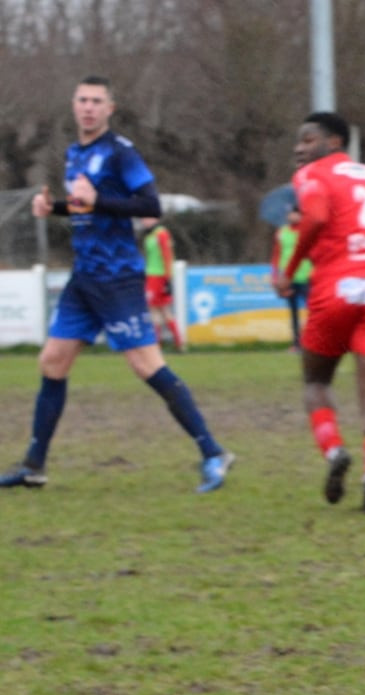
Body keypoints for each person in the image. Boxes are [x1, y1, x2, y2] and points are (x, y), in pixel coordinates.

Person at [0, 75, 233, 493]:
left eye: (96, 101)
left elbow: (149, 205)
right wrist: (52, 207)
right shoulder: (75, 153)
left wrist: (97, 201)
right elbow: (84, 208)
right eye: (82, 99)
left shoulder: (121, 153)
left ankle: (213, 452)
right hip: (84, 277)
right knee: (52, 361)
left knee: (147, 365)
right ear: (74, 105)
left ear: (110, 108)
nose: (88, 107)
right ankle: (34, 465)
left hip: (117, 278)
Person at [272, 111, 365, 515]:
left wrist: (289, 272)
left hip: (336, 287)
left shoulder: (312, 175)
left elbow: (316, 217)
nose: (299, 148)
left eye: (307, 140)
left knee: (315, 380)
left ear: (333, 142)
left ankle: (333, 451)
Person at [270, 206, 314, 350]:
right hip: (288, 279)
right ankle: (296, 343)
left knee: (314, 312)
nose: (291, 216)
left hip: (307, 276)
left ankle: (312, 341)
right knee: (293, 312)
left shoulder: (307, 231)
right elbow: (277, 255)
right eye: (289, 213)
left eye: (295, 213)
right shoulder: (282, 232)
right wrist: (275, 276)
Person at [138, 216, 184, 352]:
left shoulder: (161, 234)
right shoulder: (149, 235)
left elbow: (167, 255)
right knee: (161, 310)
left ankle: (160, 344)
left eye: (147, 218)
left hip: (158, 276)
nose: (143, 221)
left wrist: (167, 278)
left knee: (156, 310)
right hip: (151, 275)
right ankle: (177, 343)